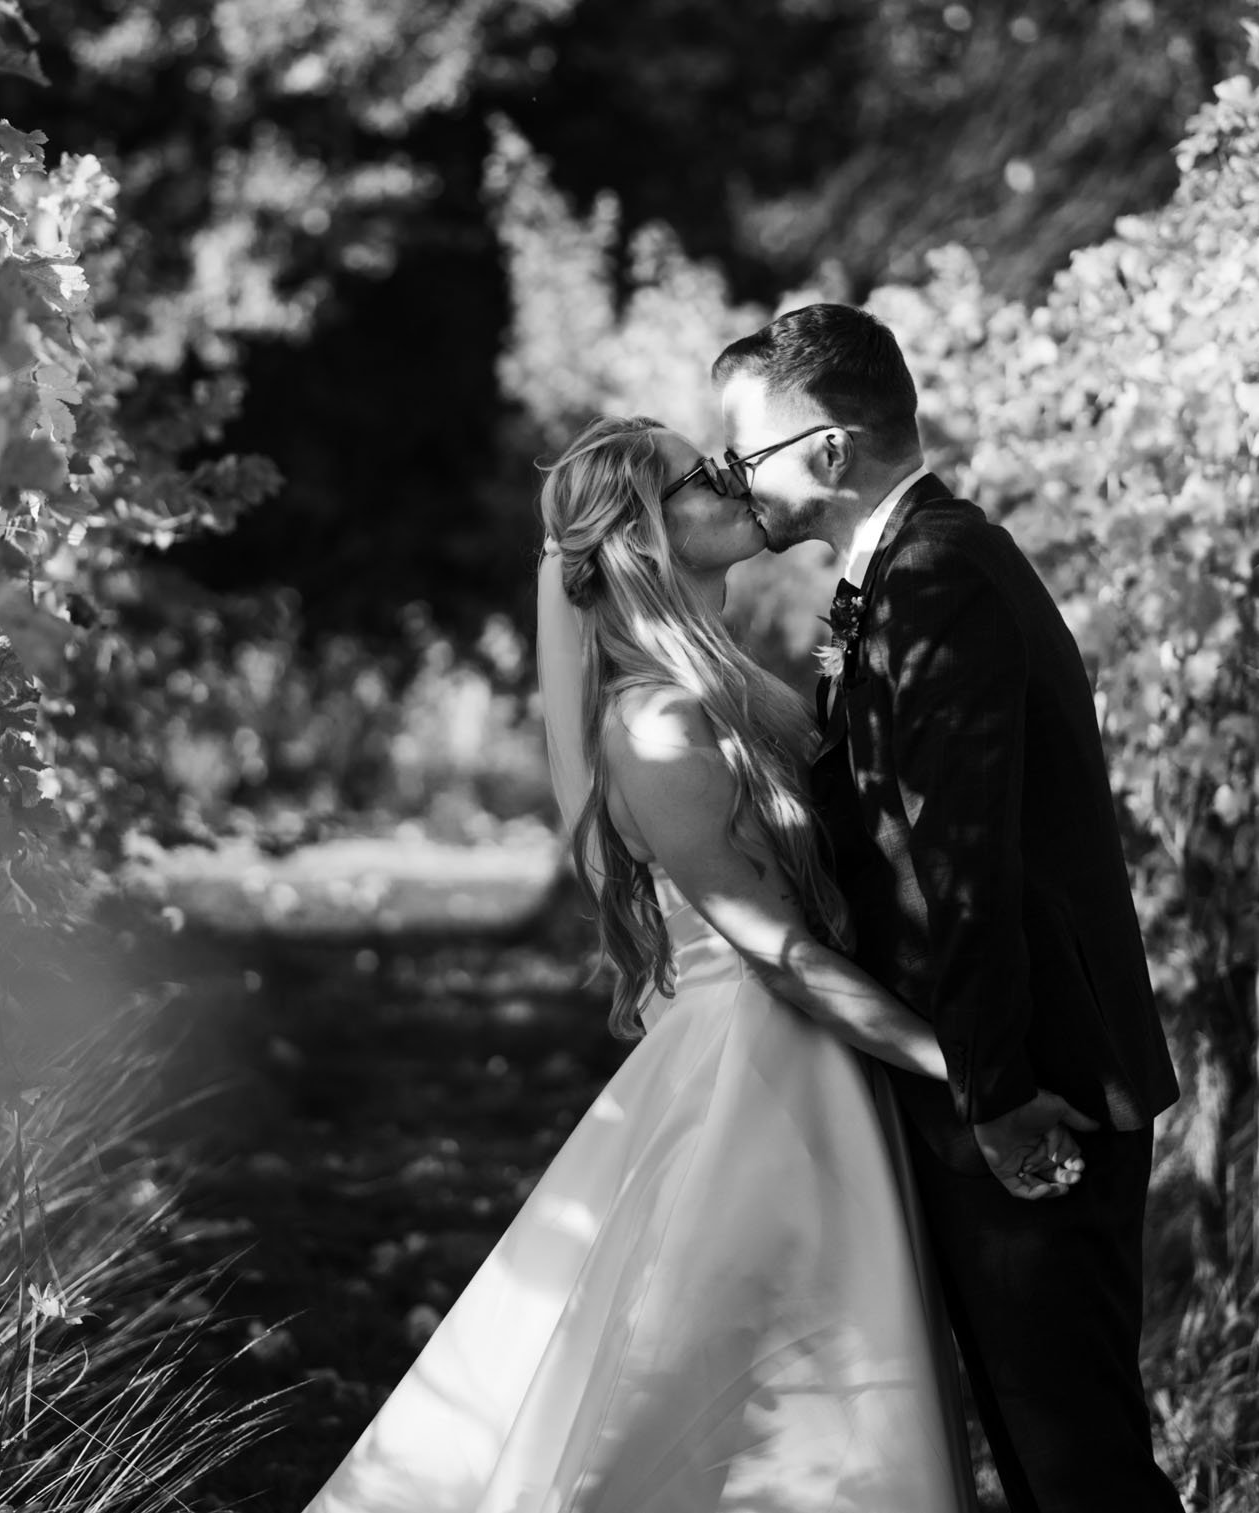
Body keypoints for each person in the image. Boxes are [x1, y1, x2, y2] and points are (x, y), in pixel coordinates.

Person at [301, 414, 973, 1512]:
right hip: (759, 1074)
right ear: (647, 535)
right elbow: (784, 955)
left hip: (813, 1051)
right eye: (700, 478)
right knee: (742, 1387)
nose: (731, 481)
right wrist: (959, 1061)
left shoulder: (728, 683)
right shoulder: (654, 724)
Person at [716, 302, 1183, 1513]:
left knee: (1079, 1468)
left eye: (743, 455)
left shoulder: (937, 575)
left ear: (828, 447)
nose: (731, 482)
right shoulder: (917, 567)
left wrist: (994, 1095)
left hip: (1032, 1084)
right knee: (1049, 1457)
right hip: (996, 1071)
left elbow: (962, 862)